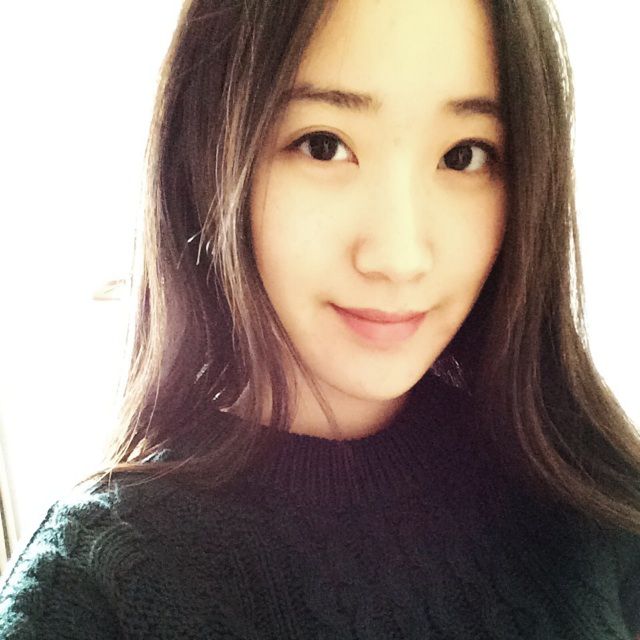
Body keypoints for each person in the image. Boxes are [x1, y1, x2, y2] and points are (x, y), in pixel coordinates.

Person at [1, 0, 639, 637]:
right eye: (323, 146)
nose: (398, 257)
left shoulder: (589, 495)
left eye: (464, 155)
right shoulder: (93, 586)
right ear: (205, 157)